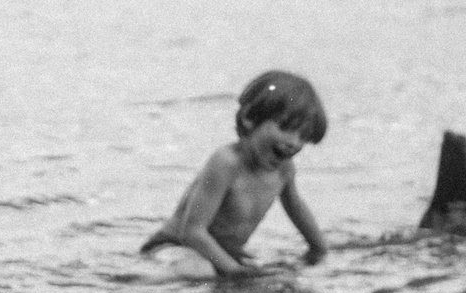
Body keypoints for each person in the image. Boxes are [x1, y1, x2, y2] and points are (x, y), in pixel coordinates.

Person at [141, 70, 329, 278]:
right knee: (199, 271)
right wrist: (236, 272)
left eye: (303, 136)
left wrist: (320, 248)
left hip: (223, 253)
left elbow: (297, 208)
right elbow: (192, 231)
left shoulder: (284, 169)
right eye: (285, 128)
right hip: (174, 247)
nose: (294, 142)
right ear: (250, 118)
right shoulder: (226, 163)